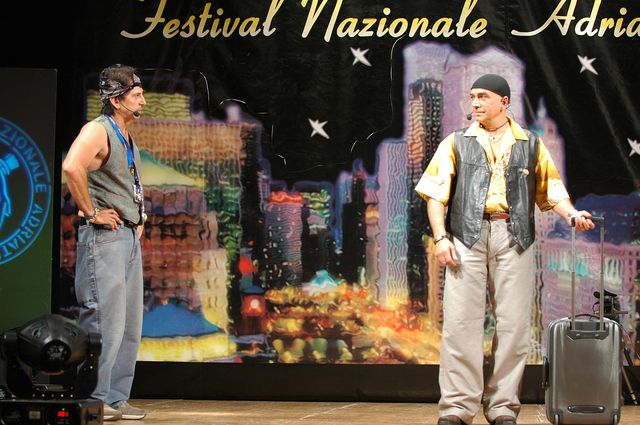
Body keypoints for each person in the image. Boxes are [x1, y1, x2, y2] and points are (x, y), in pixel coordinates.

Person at [415, 74, 595, 425]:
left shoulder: (530, 143)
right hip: (467, 235)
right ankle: (457, 408)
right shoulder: (456, 142)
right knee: (460, 325)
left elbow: (552, 189)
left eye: (483, 96)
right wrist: (440, 238)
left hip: (514, 236)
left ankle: (502, 407)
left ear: (504, 102)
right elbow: (435, 195)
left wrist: (572, 215)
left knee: (514, 326)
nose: (475, 102)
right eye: (473, 96)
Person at [62, 64, 148, 421]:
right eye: (136, 95)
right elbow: (71, 167)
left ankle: (115, 397)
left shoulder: (126, 135)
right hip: (104, 238)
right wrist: (92, 212)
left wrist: (139, 216)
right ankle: (93, 399)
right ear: (116, 99)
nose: (143, 100)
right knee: (103, 321)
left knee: (128, 325)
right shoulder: (98, 130)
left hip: (127, 236)